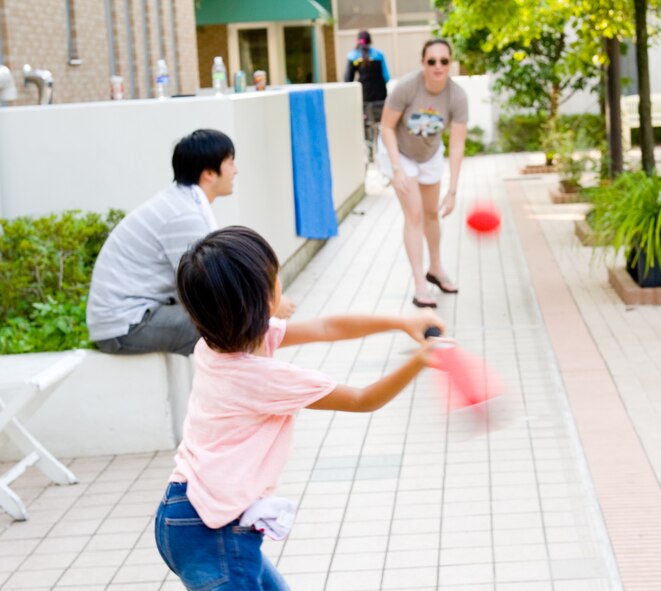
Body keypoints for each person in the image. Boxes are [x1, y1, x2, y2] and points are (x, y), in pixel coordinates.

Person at [154, 226, 444, 591]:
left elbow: (326, 327)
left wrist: (401, 322)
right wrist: (421, 360)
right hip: (214, 533)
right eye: (275, 277)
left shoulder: (218, 343)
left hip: (183, 511)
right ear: (263, 299)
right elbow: (362, 399)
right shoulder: (260, 377)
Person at [86, 129, 295, 356]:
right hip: (126, 325)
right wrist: (267, 306)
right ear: (208, 173)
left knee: (239, 321)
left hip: (136, 316)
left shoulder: (181, 203)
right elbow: (207, 288)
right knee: (234, 326)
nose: (236, 170)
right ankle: (247, 389)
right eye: (230, 162)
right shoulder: (183, 216)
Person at [379, 39, 468, 309]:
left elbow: (457, 143)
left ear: (450, 63)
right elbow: (386, 127)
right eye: (432, 61)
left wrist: (452, 192)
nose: (438, 67)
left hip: (429, 154)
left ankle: (436, 268)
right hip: (399, 153)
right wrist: (396, 169)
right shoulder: (407, 87)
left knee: (432, 213)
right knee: (414, 213)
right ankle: (420, 284)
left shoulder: (456, 95)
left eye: (444, 61)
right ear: (423, 64)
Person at [344, 30, 390, 154]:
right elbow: (387, 77)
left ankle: (369, 151)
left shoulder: (353, 57)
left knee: (366, 125)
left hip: (364, 99)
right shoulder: (379, 55)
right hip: (381, 98)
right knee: (382, 125)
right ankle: (383, 150)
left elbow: (348, 80)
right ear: (370, 41)